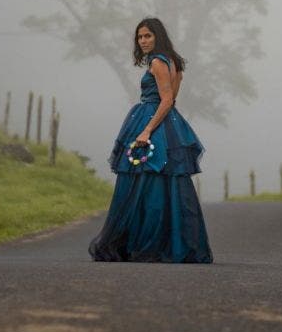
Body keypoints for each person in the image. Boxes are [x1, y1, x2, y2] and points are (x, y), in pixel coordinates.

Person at [88, 17, 213, 263]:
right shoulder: (173, 62)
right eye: (140, 37)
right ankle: (172, 244)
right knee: (166, 184)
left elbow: (167, 100)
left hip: (153, 120)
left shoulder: (157, 62)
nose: (143, 41)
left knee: (145, 182)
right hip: (168, 123)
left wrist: (146, 131)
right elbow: (173, 98)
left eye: (148, 36)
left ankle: (147, 245)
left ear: (158, 36)